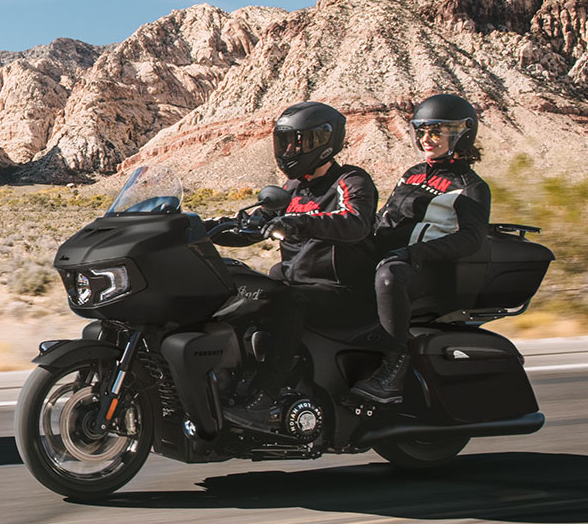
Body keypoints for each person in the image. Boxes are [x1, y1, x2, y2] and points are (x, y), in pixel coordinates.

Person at [210, 101, 380, 431]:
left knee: (287, 302)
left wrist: (300, 223)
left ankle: (265, 398)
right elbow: (256, 224)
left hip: (342, 290)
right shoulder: (292, 189)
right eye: (284, 143)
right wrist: (202, 228)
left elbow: (355, 222)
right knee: (241, 291)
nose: (288, 151)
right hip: (299, 283)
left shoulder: (350, 180)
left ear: (323, 141)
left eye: (296, 143)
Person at [352, 93, 491, 404]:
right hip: (394, 258)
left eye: (436, 132)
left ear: (461, 134)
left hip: (425, 269)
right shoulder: (413, 173)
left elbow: (472, 238)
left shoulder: (470, 186)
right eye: (422, 131)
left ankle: (394, 369)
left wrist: (413, 253)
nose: (427, 139)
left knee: (390, 276)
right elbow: (385, 217)